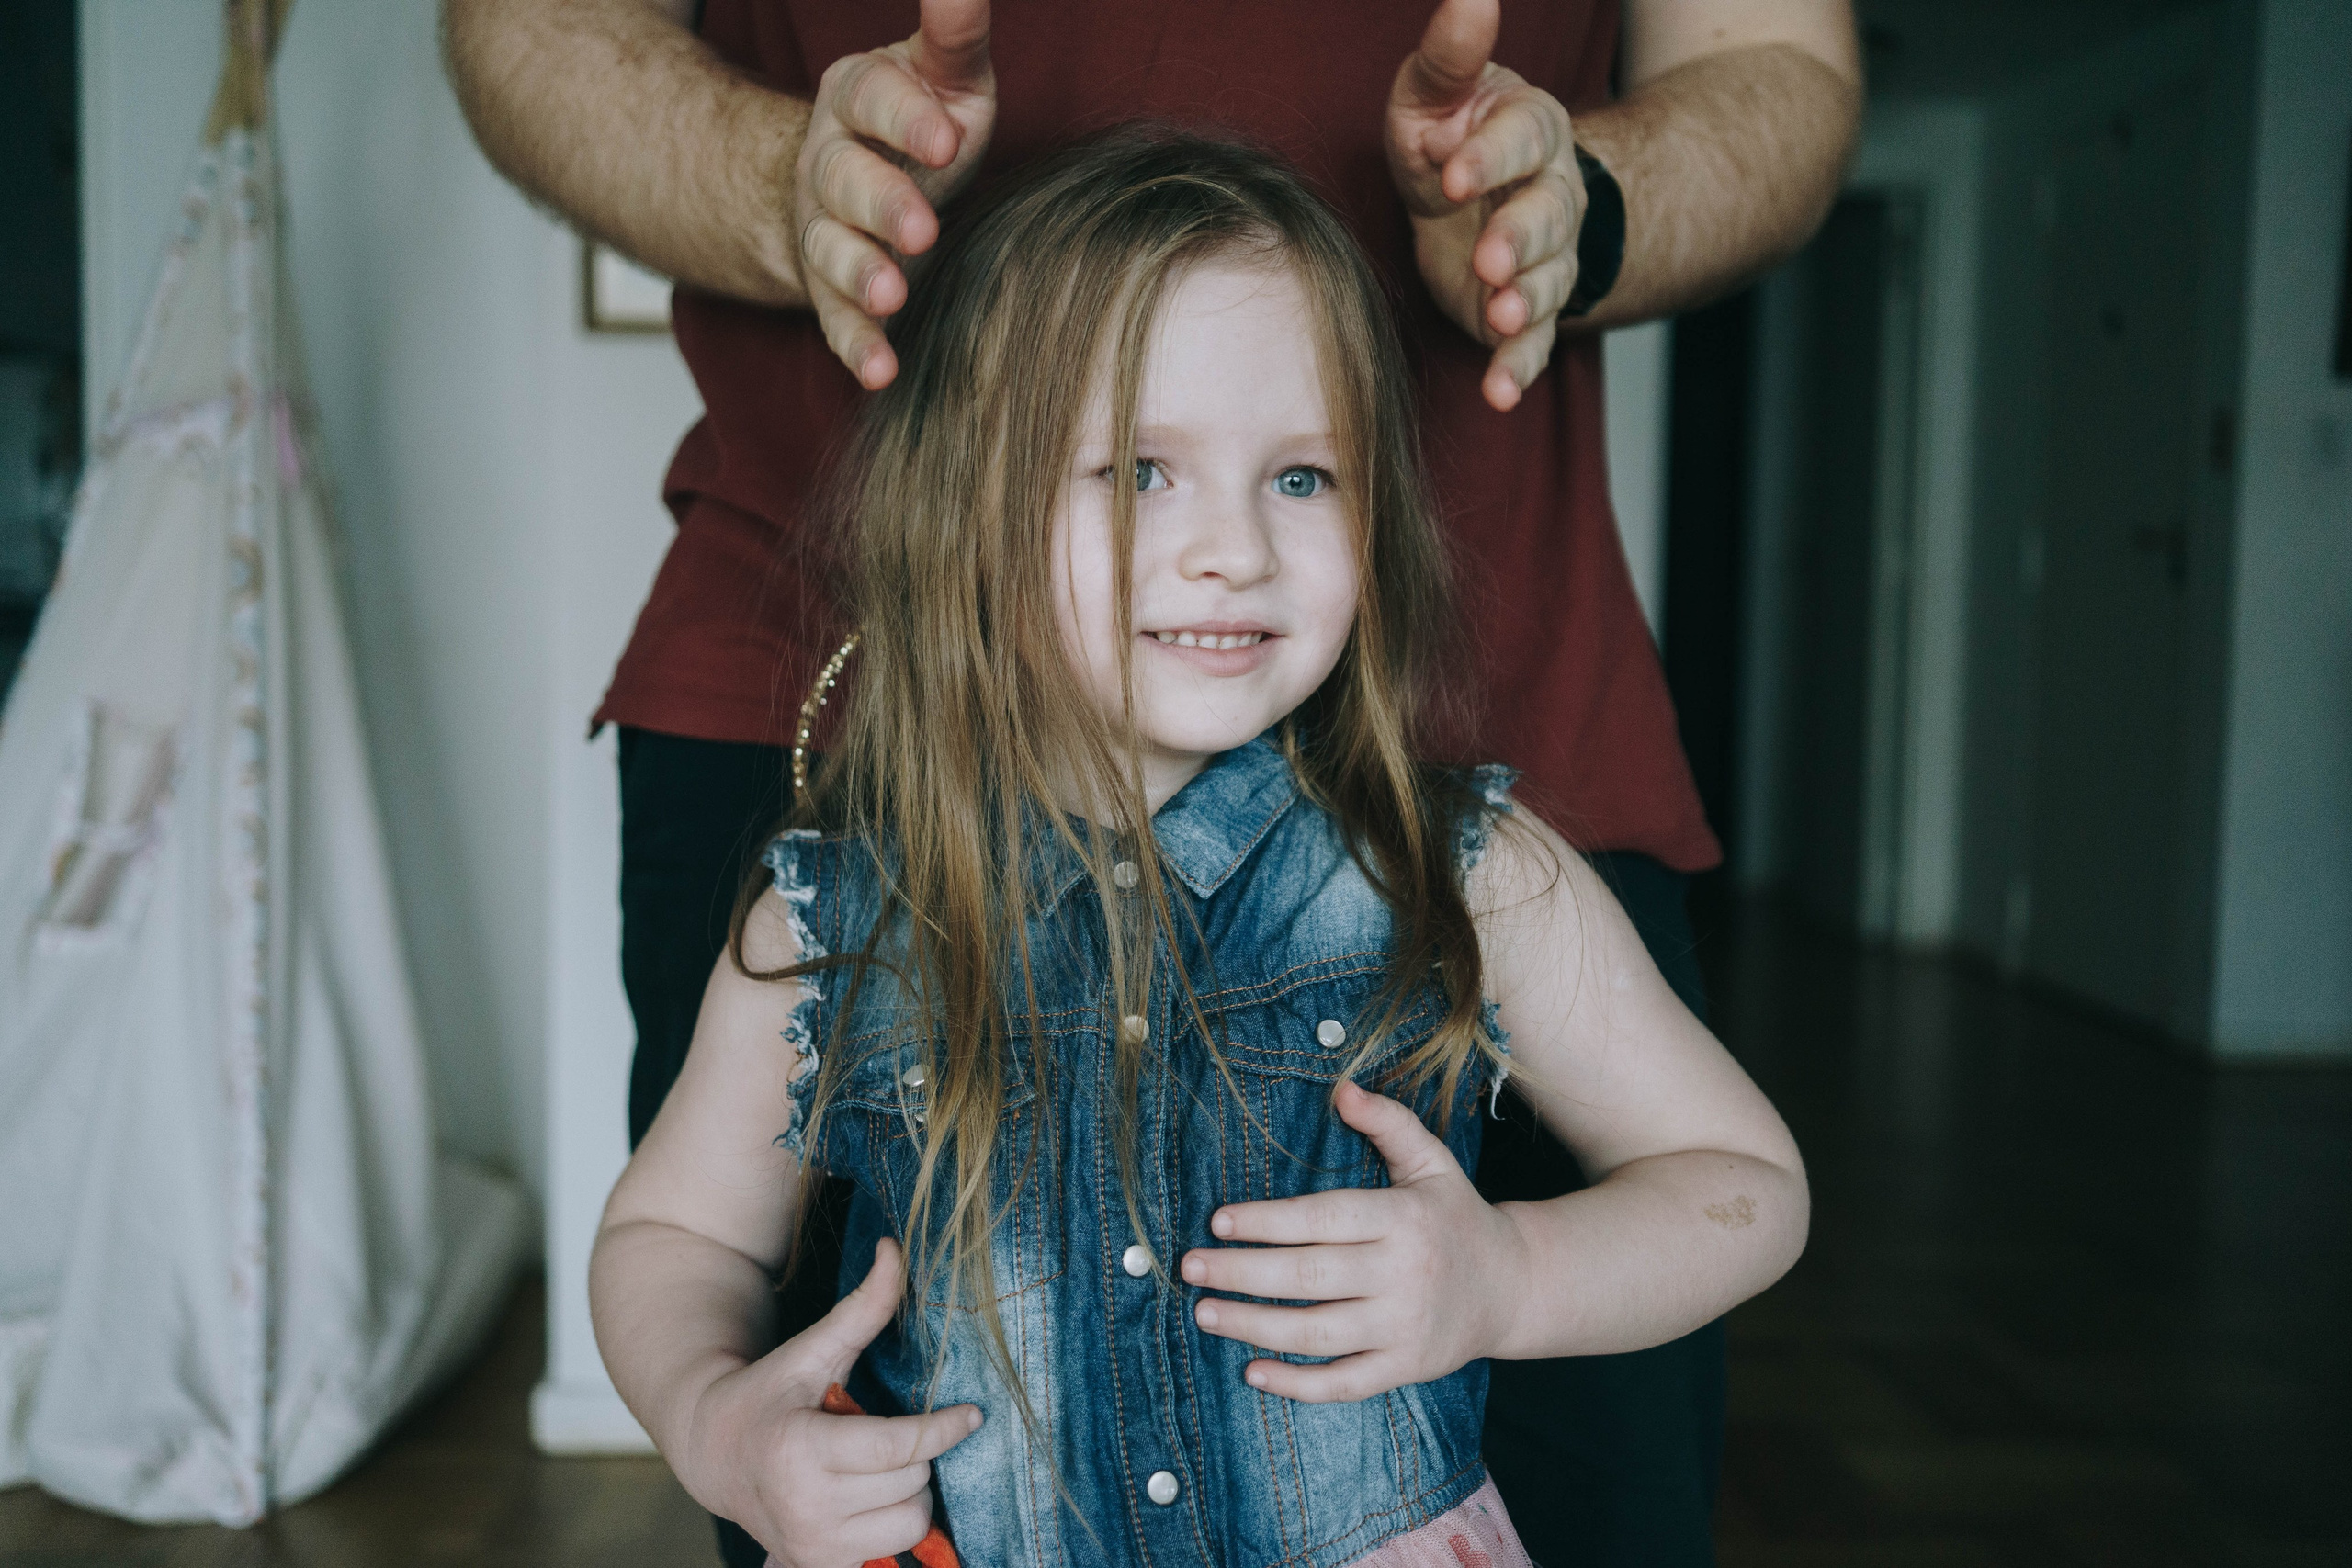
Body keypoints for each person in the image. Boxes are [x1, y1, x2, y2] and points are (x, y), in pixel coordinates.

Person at [441, 1, 1859, 1562]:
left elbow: (1745, 1187)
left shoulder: (1474, 875)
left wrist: (1508, 1276)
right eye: (1138, 469)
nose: (1234, 546)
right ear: (969, 520)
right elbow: (673, 1235)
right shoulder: (834, 918)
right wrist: (720, 1420)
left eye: (1302, 477)